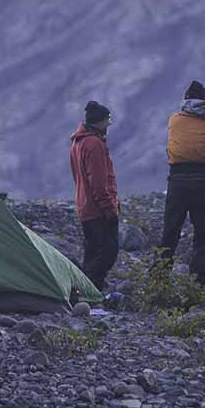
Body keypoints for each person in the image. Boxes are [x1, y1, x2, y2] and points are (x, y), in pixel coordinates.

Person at [157, 80, 205, 284]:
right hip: (202, 179)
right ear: (204, 100)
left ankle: (159, 277)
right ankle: (200, 281)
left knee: (171, 230)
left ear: (185, 99)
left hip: (176, 179)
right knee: (203, 231)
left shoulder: (174, 120)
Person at [69, 100, 120, 292]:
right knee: (107, 253)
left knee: (92, 253)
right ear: (99, 122)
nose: (108, 125)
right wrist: (110, 210)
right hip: (97, 210)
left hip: (85, 207)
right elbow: (98, 183)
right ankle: (87, 291)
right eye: (107, 120)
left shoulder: (78, 142)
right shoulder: (94, 144)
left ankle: (87, 293)